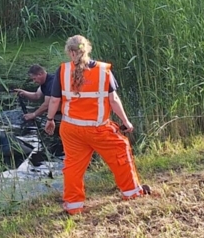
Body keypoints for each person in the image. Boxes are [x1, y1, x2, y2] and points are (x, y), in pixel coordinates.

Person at [44, 35, 147, 214]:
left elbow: (54, 101)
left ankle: (73, 206)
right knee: (120, 153)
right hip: (98, 128)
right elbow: (113, 100)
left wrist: (50, 120)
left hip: (71, 129)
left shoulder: (62, 71)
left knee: (73, 167)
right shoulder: (103, 70)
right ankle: (132, 193)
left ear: (70, 52)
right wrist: (125, 121)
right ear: (87, 49)